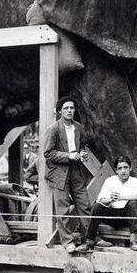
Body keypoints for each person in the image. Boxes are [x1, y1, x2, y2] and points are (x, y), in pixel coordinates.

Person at [43, 96, 100, 253]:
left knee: (84, 204)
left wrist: (82, 153)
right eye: (66, 108)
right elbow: (48, 153)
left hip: (76, 170)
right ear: (60, 111)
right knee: (63, 208)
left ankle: (89, 238)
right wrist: (69, 155)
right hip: (59, 173)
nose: (69, 111)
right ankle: (68, 241)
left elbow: (81, 146)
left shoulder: (78, 127)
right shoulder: (53, 129)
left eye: (72, 108)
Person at [79, 156, 137, 252]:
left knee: (133, 203)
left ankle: (134, 241)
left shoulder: (135, 182)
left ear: (130, 168)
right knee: (96, 206)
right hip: (112, 216)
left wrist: (122, 197)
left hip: (127, 218)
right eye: (120, 168)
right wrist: (110, 200)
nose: (123, 171)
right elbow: (100, 200)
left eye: (125, 167)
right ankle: (89, 241)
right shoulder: (110, 181)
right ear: (116, 170)